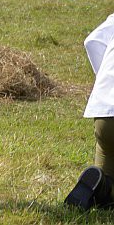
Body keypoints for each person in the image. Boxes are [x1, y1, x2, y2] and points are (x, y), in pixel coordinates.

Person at [65, 12, 114, 210]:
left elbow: (92, 41)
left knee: (105, 184)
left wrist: (105, 83)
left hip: (104, 113)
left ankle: (101, 187)